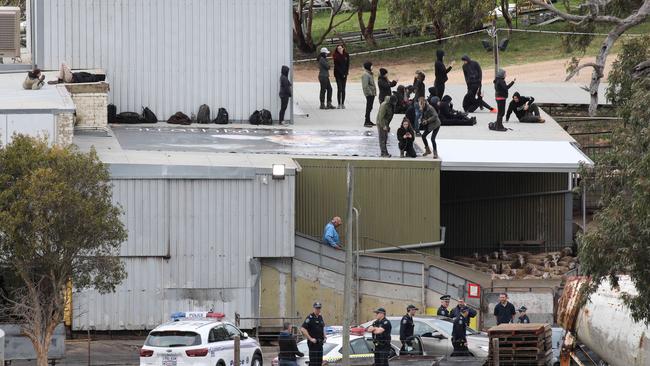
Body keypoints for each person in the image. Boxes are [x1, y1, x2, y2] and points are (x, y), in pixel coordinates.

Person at [333, 44, 350, 109]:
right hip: (338, 74)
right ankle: (339, 104)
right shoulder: (335, 56)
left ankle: (342, 103)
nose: (340, 49)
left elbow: (347, 65)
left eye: (340, 48)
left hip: (344, 74)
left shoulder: (346, 55)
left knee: (343, 89)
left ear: (343, 48)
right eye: (338, 49)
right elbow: (336, 66)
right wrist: (341, 73)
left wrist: (345, 73)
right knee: (339, 88)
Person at [361, 61, 377, 127]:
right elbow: (365, 86)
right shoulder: (365, 75)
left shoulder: (369, 74)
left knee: (370, 107)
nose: (372, 67)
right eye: (371, 66)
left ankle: (368, 120)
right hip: (369, 94)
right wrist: (370, 93)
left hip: (372, 93)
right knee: (369, 107)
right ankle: (366, 121)